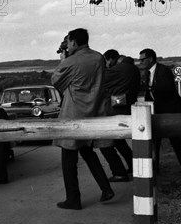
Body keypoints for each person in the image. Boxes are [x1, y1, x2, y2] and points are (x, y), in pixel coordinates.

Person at [51, 28, 115, 209]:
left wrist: (63, 60)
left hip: (73, 115)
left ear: (73, 42)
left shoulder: (70, 61)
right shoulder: (98, 58)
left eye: (68, 42)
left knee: (68, 160)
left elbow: (56, 81)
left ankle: (73, 198)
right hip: (93, 112)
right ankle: (106, 188)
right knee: (88, 152)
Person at [139, 48, 181, 174]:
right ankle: (155, 168)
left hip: (170, 109)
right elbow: (148, 92)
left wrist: (149, 87)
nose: (140, 62)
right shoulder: (147, 73)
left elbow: (165, 89)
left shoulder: (164, 71)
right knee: (155, 139)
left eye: (142, 59)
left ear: (150, 59)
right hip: (157, 109)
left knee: (174, 139)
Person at [100, 50, 141, 180]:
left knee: (105, 143)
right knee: (119, 142)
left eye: (105, 62)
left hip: (116, 111)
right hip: (126, 108)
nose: (106, 65)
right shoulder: (131, 68)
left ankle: (119, 172)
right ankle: (133, 167)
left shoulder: (118, 69)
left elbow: (100, 81)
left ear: (110, 60)